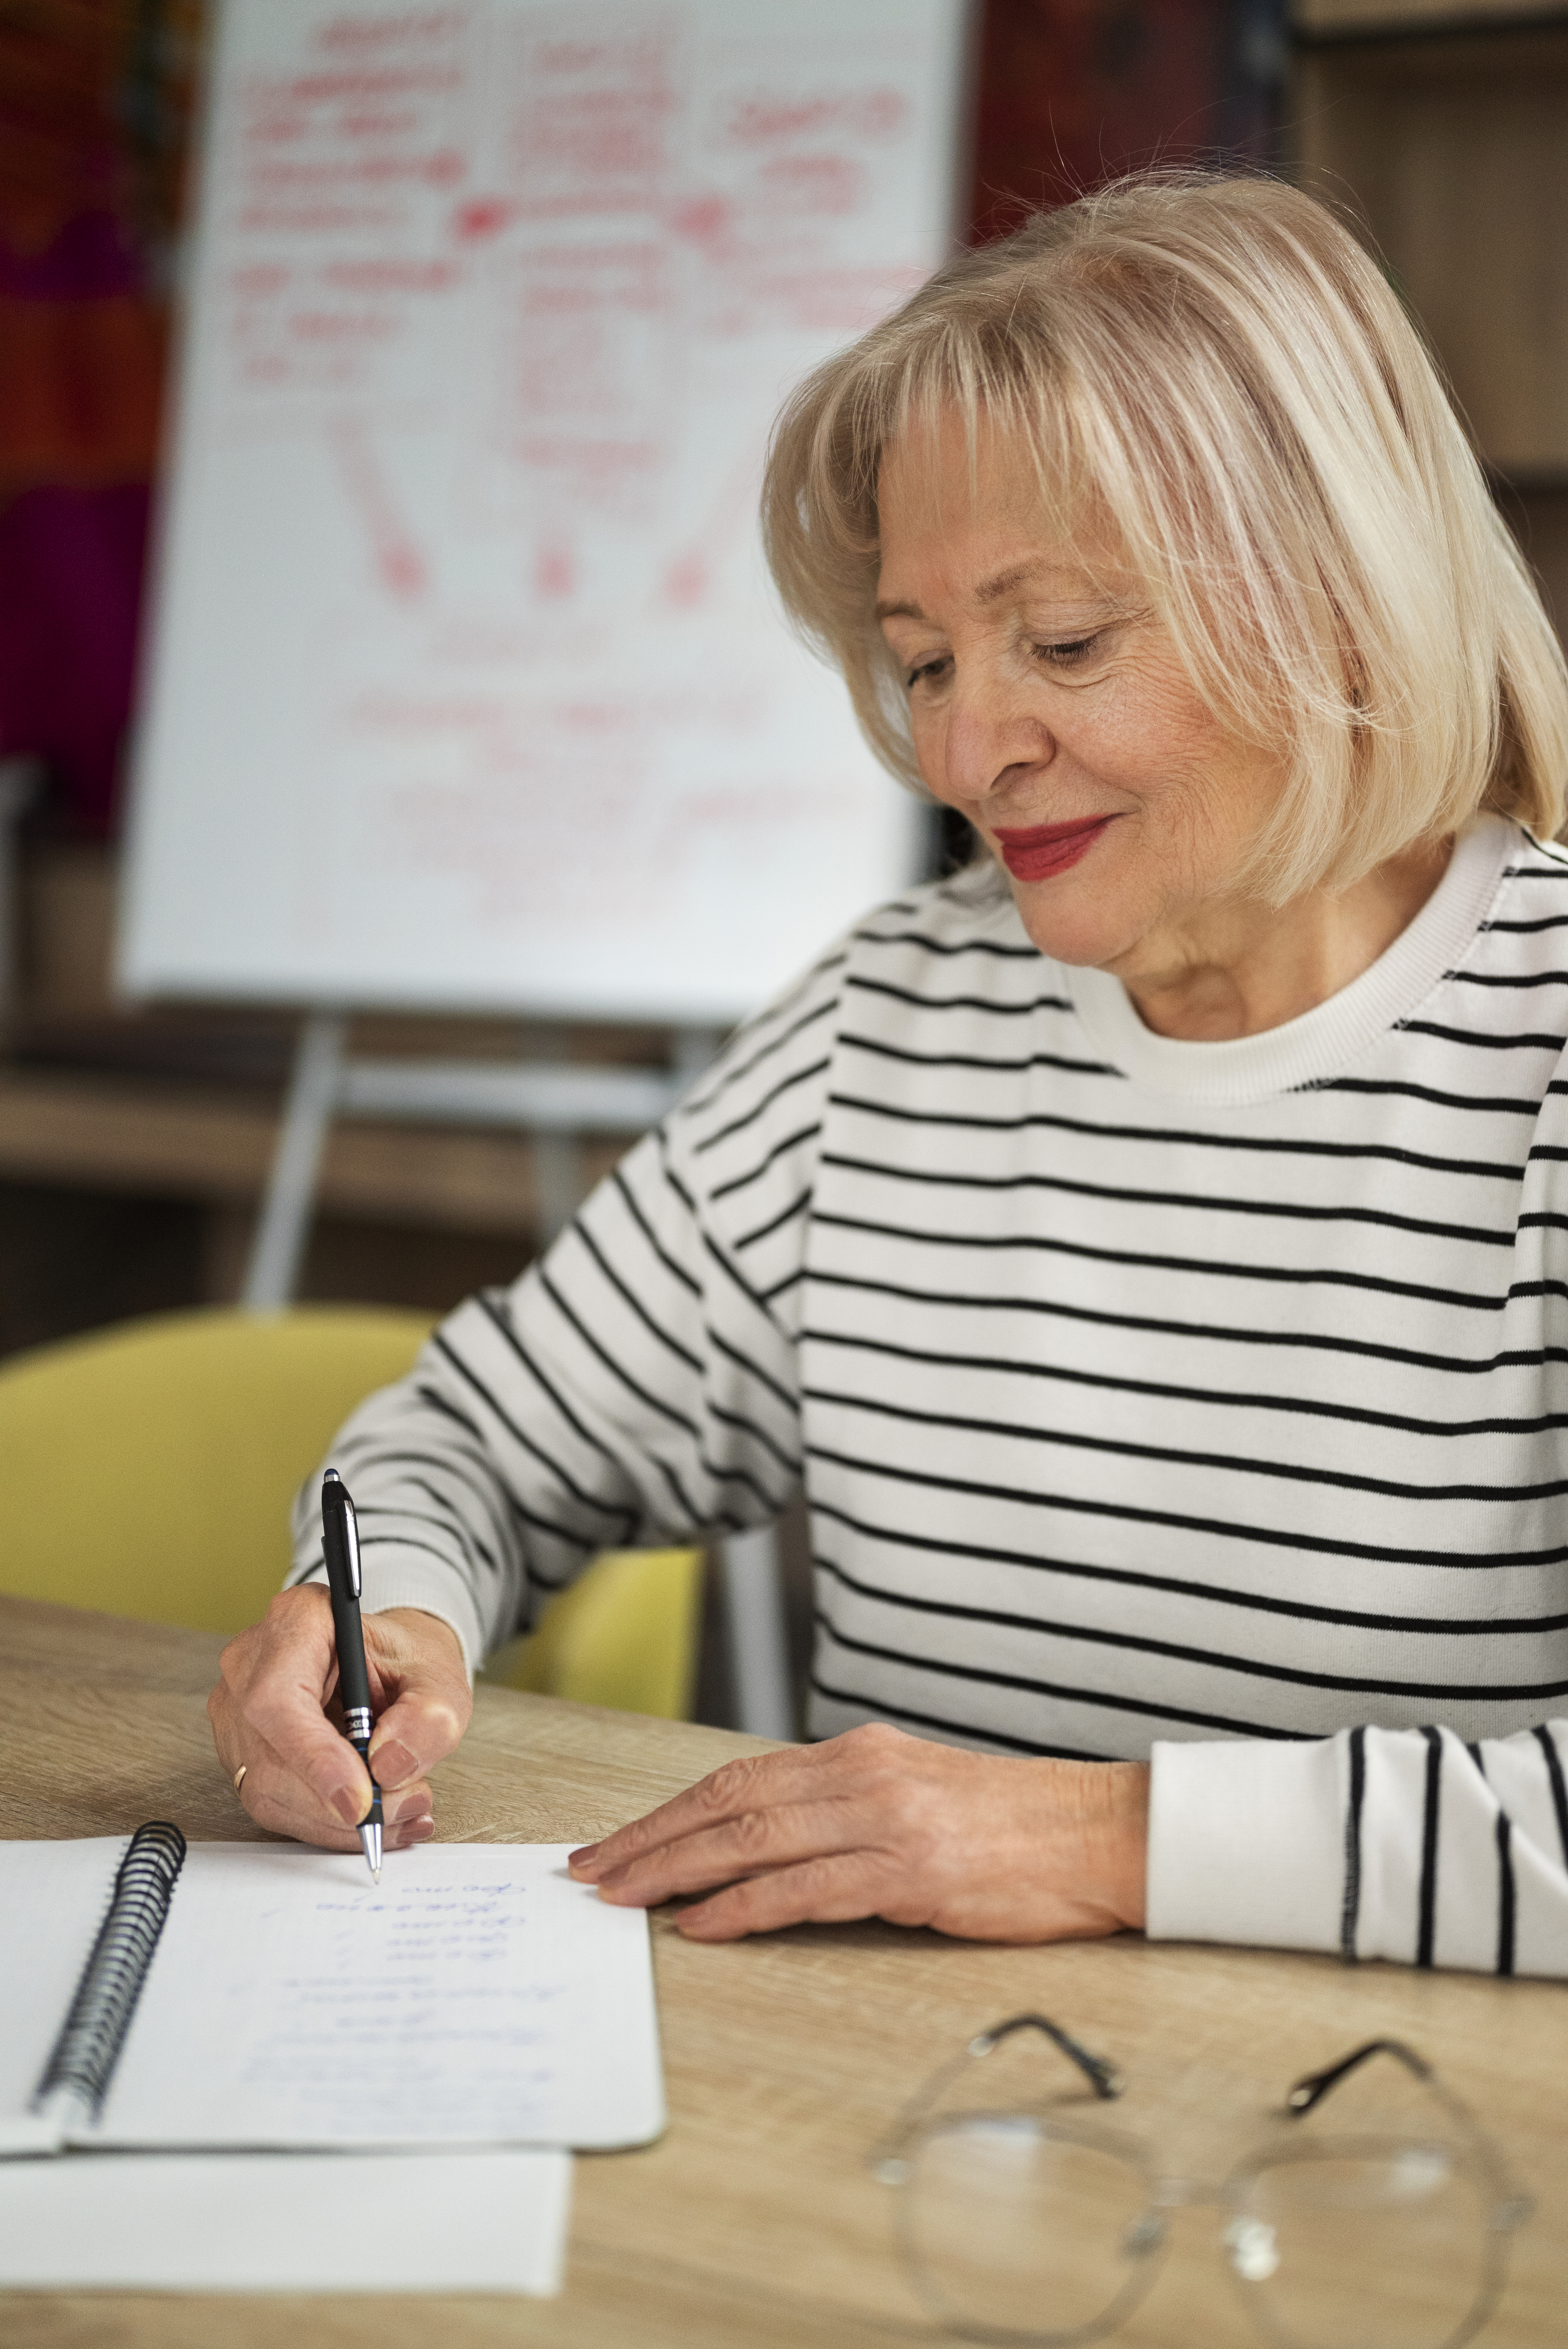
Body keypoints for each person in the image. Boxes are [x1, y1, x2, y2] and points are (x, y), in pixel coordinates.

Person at [211, 171, 1568, 1976]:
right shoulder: (891, 1026)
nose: (968, 752)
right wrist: (371, 1611)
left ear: (1335, 598)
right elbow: (475, 1441)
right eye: (925, 661)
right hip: (894, 2143)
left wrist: (1099, 1834)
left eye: (1063, 643)